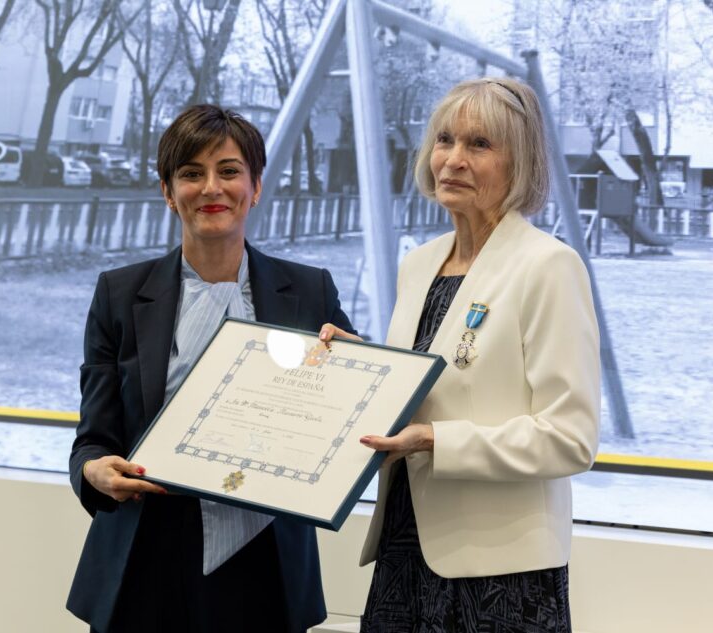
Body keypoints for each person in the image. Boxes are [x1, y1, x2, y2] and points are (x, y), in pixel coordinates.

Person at [323, 77, 600, 632]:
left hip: (501, 573)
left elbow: (569, 438)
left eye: (479, 145)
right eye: (445, 139)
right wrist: (362, 368)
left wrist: (434, 441)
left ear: (519, 163)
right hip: (405, 551)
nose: (451, 159)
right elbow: (430, 380)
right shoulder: (419, 263)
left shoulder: (548, 266)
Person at [66, 104, 354, 633]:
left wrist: (354, 368)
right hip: (144, 554)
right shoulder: (119, 293)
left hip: (265, 559)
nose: (211, 188)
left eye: (229, 171)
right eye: (191, 174)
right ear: (168, 192)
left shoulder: (311, 291)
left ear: (256, 186)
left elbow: (349, 419)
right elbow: (93, 438)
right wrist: (93, 470)